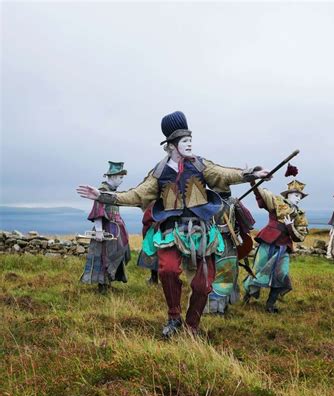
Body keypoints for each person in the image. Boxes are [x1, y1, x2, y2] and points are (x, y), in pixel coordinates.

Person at [77, 111, 270, 336]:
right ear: (171, 146)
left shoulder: (200, 165)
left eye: (190, 140)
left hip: (202, 231)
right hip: (171, 231)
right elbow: (137, 195)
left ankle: (192, 325)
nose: (189, 144)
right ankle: (174, 317)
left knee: (203, 284)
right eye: (184, 141)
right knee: (167, 270)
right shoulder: (159, 173)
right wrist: (102, 196)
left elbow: (223, 174)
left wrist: (251, 174)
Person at [243, 177, 308, 313]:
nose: (298, 198)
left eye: (300, 196)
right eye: (296, 195)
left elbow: (300, 236)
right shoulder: (277, 202)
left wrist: (290, 227)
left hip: (283, 247)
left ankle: (270, 304)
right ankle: (247, 297)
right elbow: (263, 194)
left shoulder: (301, 215)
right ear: (288, 195)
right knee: (257, 270)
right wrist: (253, 183)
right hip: (268, 242)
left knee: (282, 274)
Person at [80, 162, 131, 293]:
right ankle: (102, 286)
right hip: (105, 229)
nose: (122, 180)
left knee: (116, 254)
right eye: (120, 177)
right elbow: (98, 210)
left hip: (115, 230)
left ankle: (108, 283)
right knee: (105, 256)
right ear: (113, 176)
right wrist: (98, 230)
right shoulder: (101, 190)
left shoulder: (113, 192)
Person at [205, 192, 255, 314]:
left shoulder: (232, 202)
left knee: (226, 275)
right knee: (211, 275)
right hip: (210, 243)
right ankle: (212, 308)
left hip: (229, 242)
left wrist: (238, 206)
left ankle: (221, 307)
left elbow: (248, 223)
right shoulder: (206, 200)